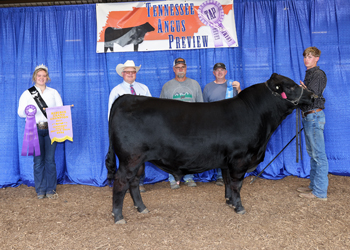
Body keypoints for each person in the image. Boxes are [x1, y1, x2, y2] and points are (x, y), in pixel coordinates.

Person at [18, 64, 63, 199]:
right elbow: (20, 112)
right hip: (34, 129)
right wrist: (29, 110)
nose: (42, 78)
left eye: (44, 76)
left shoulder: (53, 92)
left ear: (47, 77)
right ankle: (40, 190)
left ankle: (50, 189)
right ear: (35, 77)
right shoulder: (27, 93)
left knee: (50, 160)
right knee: (38, 161)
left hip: (51, 129)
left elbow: (60, 110)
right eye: (39, 76)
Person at [108, 60, 151, 192]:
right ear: (123, 73)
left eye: (133, 72)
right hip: (124, 130)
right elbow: (111, 112)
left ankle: (139, 182)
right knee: (124, 156)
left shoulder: (143, 88)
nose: (131, 74)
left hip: (141, 129)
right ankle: (124, 182)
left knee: (141, 156)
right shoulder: (116, 90)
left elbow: (151, 109)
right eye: (128, 72)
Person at [160, 57, 203, 189]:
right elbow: (162, 107)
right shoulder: (167, 86)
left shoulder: (195, 84)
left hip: (191, 125)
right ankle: (173, 177)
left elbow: (200, 106)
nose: (180, 69)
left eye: (182, 67)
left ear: (186, 68)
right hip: (173, 126)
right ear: (174, 69)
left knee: (191, 151)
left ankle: (189, 177)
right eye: (178, 67)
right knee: (173, 152)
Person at [297, 47, 329, 201]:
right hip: (310, 117)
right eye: (305, 56)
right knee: (313, 155)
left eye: (310, 56)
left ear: (317, 58)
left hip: (314, 116)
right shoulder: (310, 74)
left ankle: (319, 192)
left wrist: (304, 91)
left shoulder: (318, 74)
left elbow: (313, 95)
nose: (306, 59)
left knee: (318, 156)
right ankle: (314, 185)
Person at [203, 62, 241, 186]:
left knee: (231, 149)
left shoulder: (233, 85)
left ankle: (230, 174)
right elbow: (204, 107)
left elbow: (243, 102)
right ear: (214, 73)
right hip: (213, 123)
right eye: (217, 70)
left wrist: (239, 89)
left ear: (226, 72)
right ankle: (220, 176)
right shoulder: (208, 87)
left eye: (222, 70)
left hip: (231, 123)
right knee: (217, 149)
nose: (219, 72)